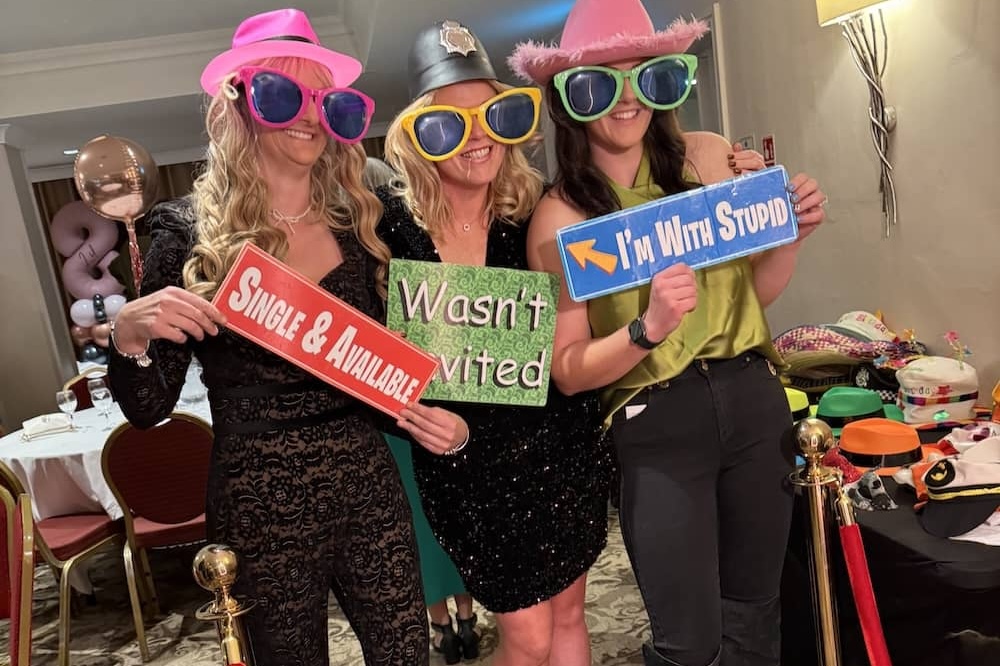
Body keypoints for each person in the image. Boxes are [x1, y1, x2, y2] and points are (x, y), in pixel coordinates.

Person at [107, 9, 470, 665]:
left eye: (323, 99)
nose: (307, 115)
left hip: (368, 481)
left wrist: (453, 417)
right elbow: (148, 406)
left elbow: (419, 347)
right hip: (259, 500)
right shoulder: (185, 235)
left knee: (406, 656)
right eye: (282, 95)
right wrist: (128, 333)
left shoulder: (362, 222)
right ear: (241, 105)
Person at [510, 1, 828, 665]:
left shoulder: (707, 159)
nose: (625, 101)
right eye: (599, 83)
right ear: (569, 99)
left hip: (753, 400)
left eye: (646, 77)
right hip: (655, 424)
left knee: (756, 614)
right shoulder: (559, 215)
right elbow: (567, 368)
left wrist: (790, 242)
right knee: (688, 641)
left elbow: (751, 298)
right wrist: (645, 330)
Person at [379, 20, 612, 666]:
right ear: (420, 136)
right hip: (471, 467)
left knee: (568, 619)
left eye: (490, 114)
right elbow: (375, 358)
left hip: (560, 447)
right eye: (452, 122)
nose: (476, 135)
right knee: (527, 636)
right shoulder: (392, 233)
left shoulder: (535, 208)